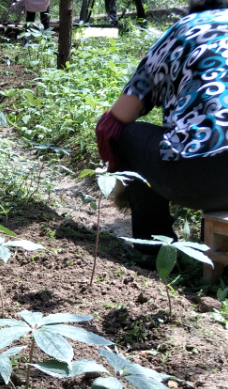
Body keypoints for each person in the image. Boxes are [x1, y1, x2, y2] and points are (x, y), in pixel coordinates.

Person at [96, 0, 228, 261]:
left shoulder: (185, 29)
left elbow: (117, 118)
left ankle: (152, 251)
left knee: (126, 135)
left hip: (199, 174)